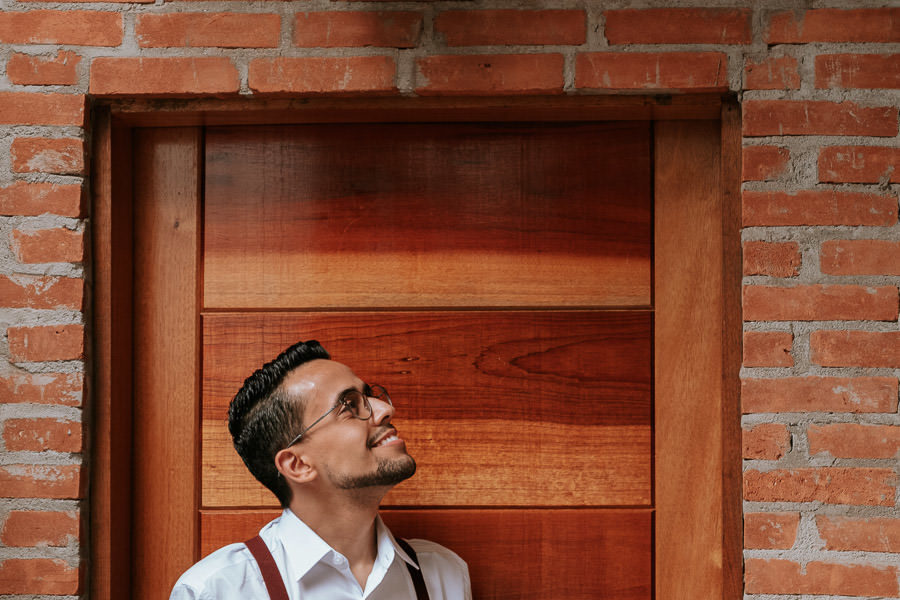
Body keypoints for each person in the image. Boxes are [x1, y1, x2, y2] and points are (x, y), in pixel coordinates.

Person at [170, 340, 471, 599]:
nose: (385, 409)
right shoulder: (215, 590)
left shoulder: (443, 574)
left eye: (370, 396)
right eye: (349, 406)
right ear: (298, 465)